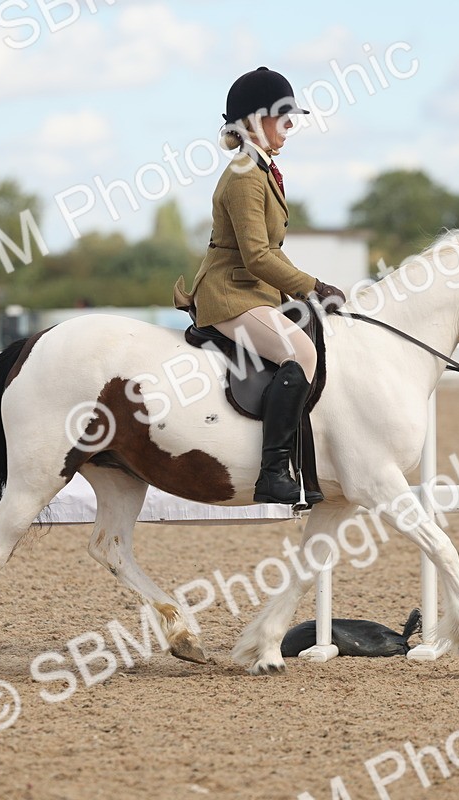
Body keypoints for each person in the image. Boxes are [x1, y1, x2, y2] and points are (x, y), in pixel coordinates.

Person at [174, 67, 346, 505]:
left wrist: (306, 291)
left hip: (253, 290)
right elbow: (257, 257)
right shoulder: (245, 176)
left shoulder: (261, 170)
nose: (289, 127)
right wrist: (313, 286)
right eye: (282, 117)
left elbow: (271, 250)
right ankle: (272, 473)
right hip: (230, 293)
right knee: (300, 352)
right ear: (253, 120)